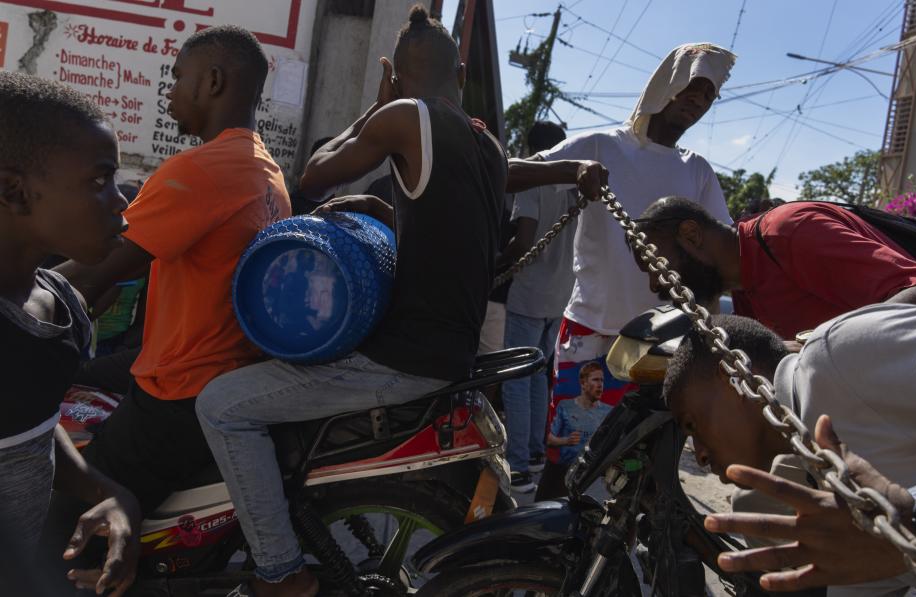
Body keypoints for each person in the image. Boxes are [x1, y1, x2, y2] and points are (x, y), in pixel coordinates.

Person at [195, 7, 607, 595]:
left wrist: (376, 105)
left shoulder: (403, 118)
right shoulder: (482, 141)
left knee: (220, 405)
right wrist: (568, 168)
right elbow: (498, 182)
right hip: (449, 352)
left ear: (396, 72)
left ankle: (280, 570)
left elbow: (314, 176)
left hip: (403, 360)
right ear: (459, 71)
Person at [53, 25, 291, 522]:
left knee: (62, 524)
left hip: (178, 392)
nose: (170, 91)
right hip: (223, 375)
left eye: (178, 76)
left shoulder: (201, 170)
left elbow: (95, 269)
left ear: (213, 81)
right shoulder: (264, 168)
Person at [515, 44, 736, 440]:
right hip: (590, 330)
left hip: (660, 341)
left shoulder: (698, 171)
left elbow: (721, 257)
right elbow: (512, 173)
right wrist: (572, 168)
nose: (698, 101)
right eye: (693, 87)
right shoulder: (600, 146)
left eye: (708, 95)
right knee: (570, 455)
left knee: (637, 464)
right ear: (668, 83)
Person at [663, 305, 916, 595]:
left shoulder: (835, 358)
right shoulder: (810, 500)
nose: (699, 455)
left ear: (731, 375)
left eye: (692, 425)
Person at [0, 71, 140, 596]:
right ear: (15, 191)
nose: (120, 203)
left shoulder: (58, 311)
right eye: (99, 181)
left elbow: (26, 423)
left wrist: (104, 489)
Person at [634, 196, 916, 340]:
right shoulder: (746, 293)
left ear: (691, 235)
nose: (652, 284)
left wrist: (813, 346)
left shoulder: (790, 232)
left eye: (653, 264)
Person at [500, 120, 575, 492]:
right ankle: (532, 451)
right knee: (539, 375)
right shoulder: (577, 184)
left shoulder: (532, 177)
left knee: (515, 379)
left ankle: (517, 467)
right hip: (560, 295)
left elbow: (524, 239)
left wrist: (499, 263)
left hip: (530, 292)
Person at [536, 362, 611, 499]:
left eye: (602, 380)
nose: (600, 385)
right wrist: (566, 440)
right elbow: (549, 438)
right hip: (565, 470)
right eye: (595, 380)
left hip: (598, 474)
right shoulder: (565, 406)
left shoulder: (608, 411)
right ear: (582, 383)